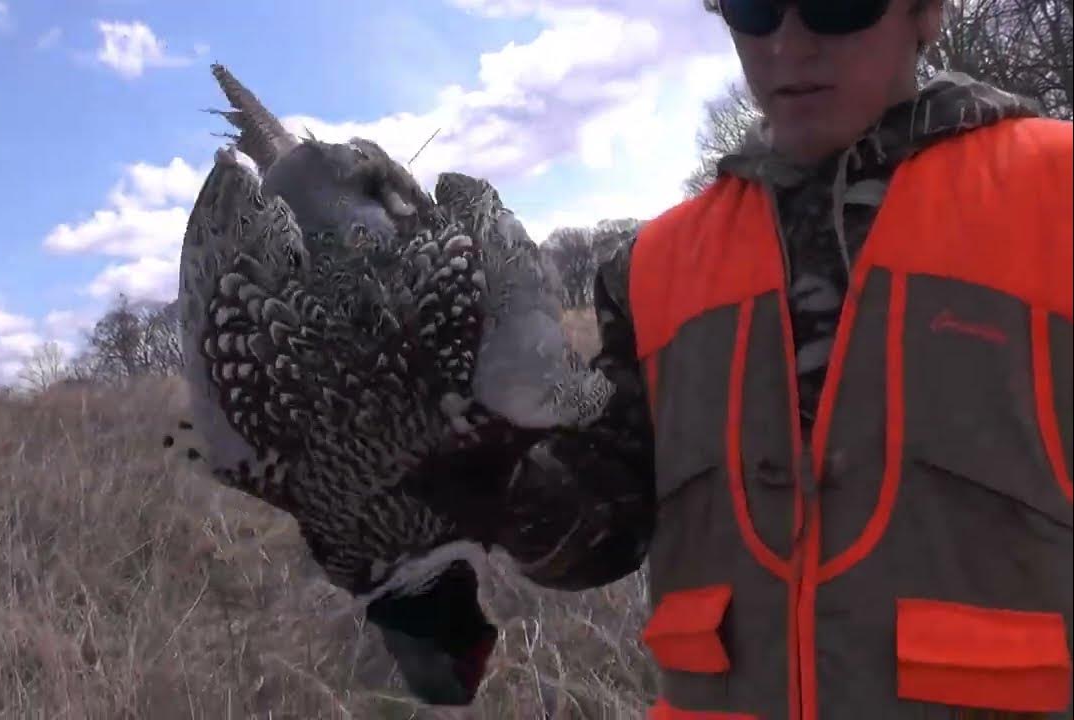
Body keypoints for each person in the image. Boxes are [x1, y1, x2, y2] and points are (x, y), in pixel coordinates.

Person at [410, 0, 1073, 717]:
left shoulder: (1055, 194)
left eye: (837, 4)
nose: (788, 43)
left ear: (929, 12)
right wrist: (454, 424)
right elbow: (589, 539)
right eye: (754, 9)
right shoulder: (651, 267)